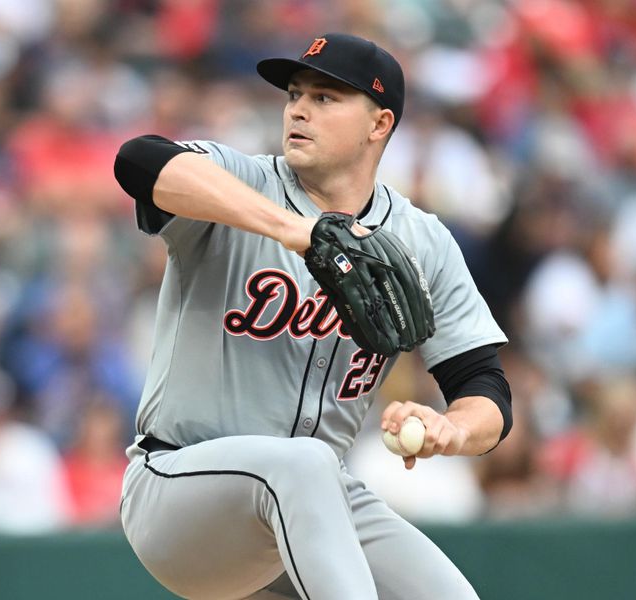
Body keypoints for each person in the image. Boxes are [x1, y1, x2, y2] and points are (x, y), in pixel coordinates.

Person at [114, 33, 512, 600]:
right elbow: (139, 159)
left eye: (325, 98)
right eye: (295, 94)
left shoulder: (421, 240)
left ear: (379, 126)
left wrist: (455, 428)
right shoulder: (241, 184)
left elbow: (485, 389)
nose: (298, 108)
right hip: (178, 491)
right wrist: (294, 230)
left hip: (313, 499)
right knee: (303, 465)